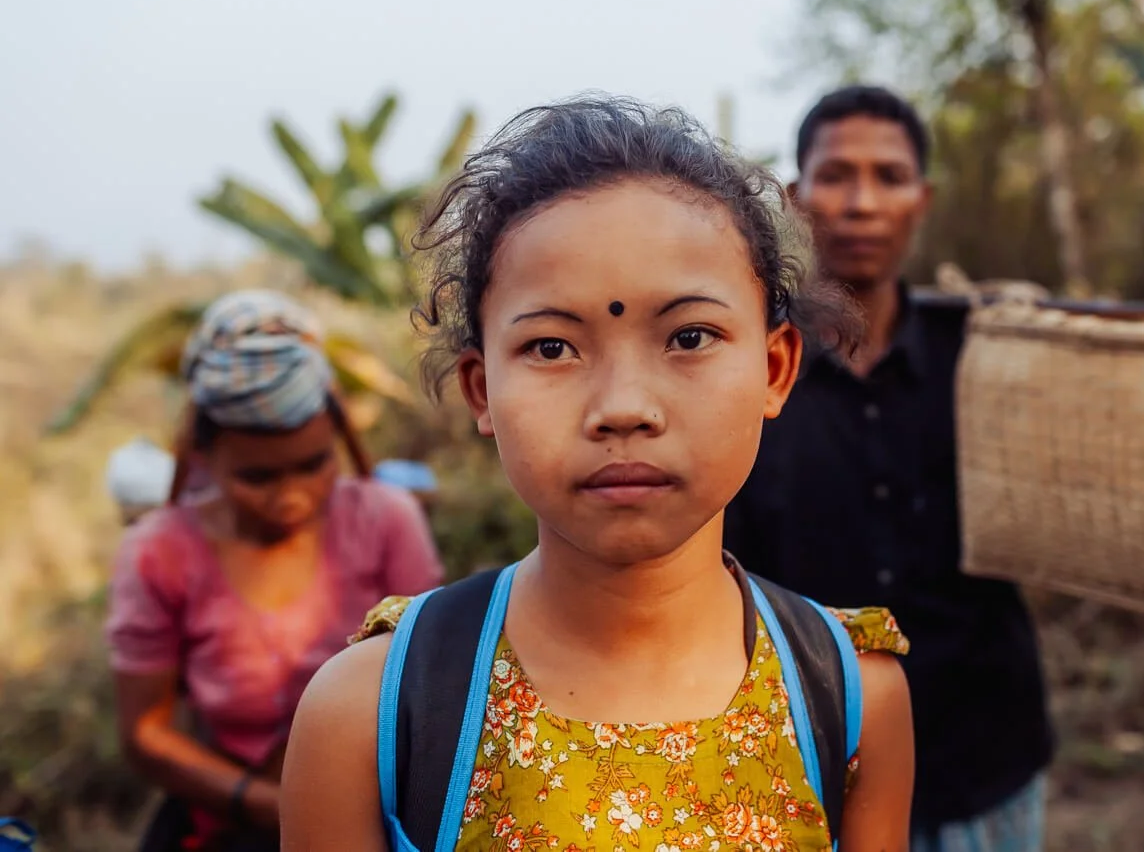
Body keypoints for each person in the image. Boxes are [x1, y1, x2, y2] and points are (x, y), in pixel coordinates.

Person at [280, 96, 915, 852]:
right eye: (552, 347)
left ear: (775, 368)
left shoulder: (849, 700)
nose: (624, 408)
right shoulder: (371, 712)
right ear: (482, 389)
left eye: (688, 336)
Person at [724, 85, 1055, 852]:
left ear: (922, 197)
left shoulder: (991, 356)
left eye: (889, 176)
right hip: (808, 764)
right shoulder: (742, 368)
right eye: (837, 176)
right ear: (798, 196)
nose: (862, 202)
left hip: (983, 754)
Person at [105, 289, 444, 852]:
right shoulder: (157, 553)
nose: (292, 498)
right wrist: (268, 804)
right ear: (201, 458)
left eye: (314, 465)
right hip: (229, 828)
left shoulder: (387, 521)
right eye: (257, 478)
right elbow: (146, 734)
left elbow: (426, 683)